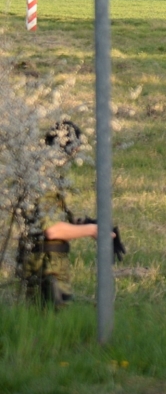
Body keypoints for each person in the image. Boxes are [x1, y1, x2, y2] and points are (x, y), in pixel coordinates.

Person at [17, 122, 106, 307]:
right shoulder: (46, 180)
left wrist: (81, 222)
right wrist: (92, 229)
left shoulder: (38, 173)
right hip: (48, 272)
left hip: (41, 269)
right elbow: (53, 230)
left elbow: (45, 220)